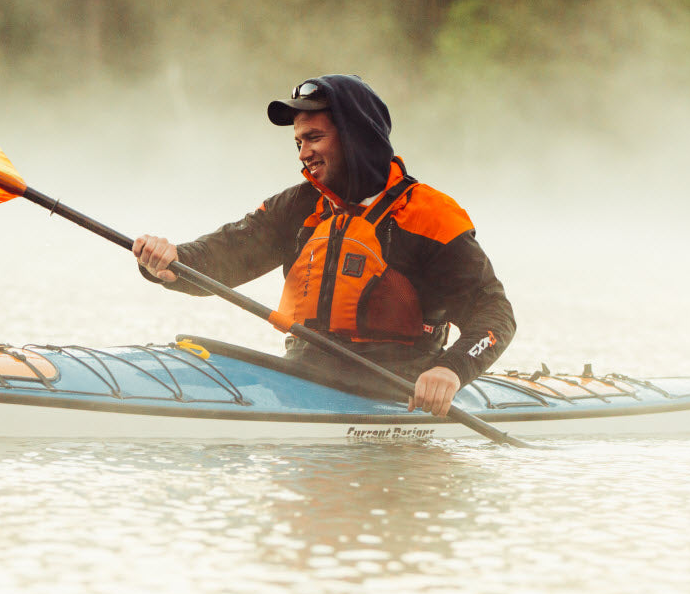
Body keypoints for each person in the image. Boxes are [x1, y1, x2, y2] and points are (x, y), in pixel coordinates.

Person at [133, 75, 514, 417]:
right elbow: (223, 257)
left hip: (397, 393)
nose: (302, 154)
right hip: (302, 380)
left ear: (357, 138)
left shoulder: (430, 217)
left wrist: (451, 369)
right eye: (298, 142)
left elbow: (494, 313)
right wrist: (169, 261)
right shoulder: (298, 207)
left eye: (314, 138)